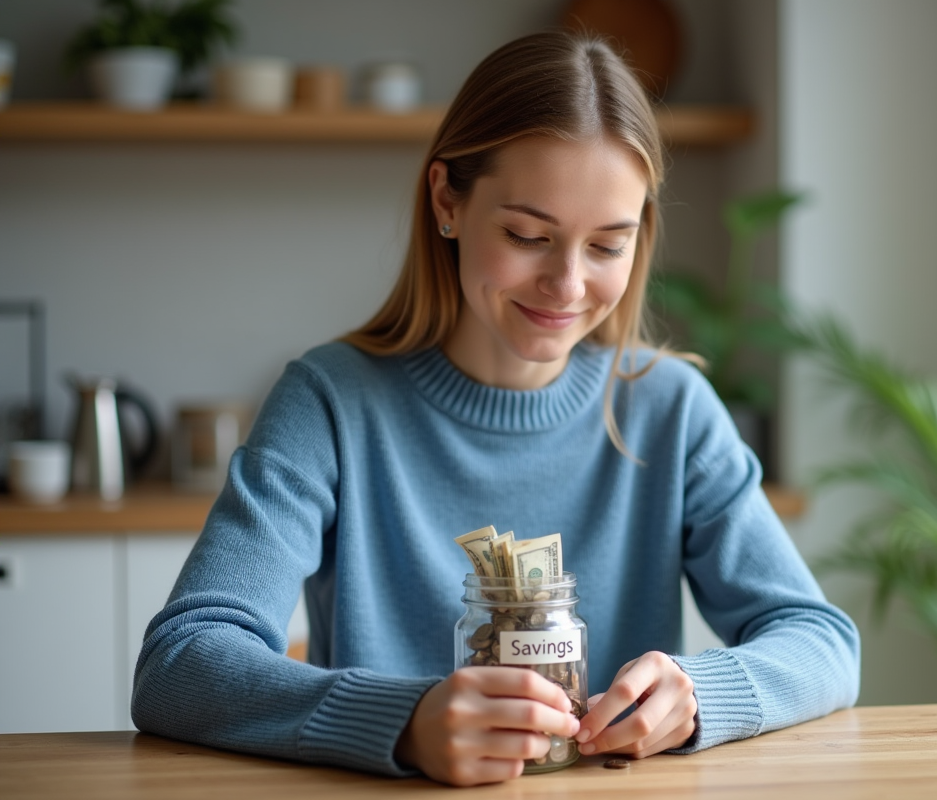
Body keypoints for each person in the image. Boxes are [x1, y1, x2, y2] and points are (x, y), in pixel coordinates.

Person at [131, 30, 860, 787]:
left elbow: (821, 641)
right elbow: (180, 664)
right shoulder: (330, 403)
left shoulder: (670, 409)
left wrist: (700, 694)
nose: (568, 285)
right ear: (448, 199)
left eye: (608, 245)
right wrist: (405, 722)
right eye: (527, 235)